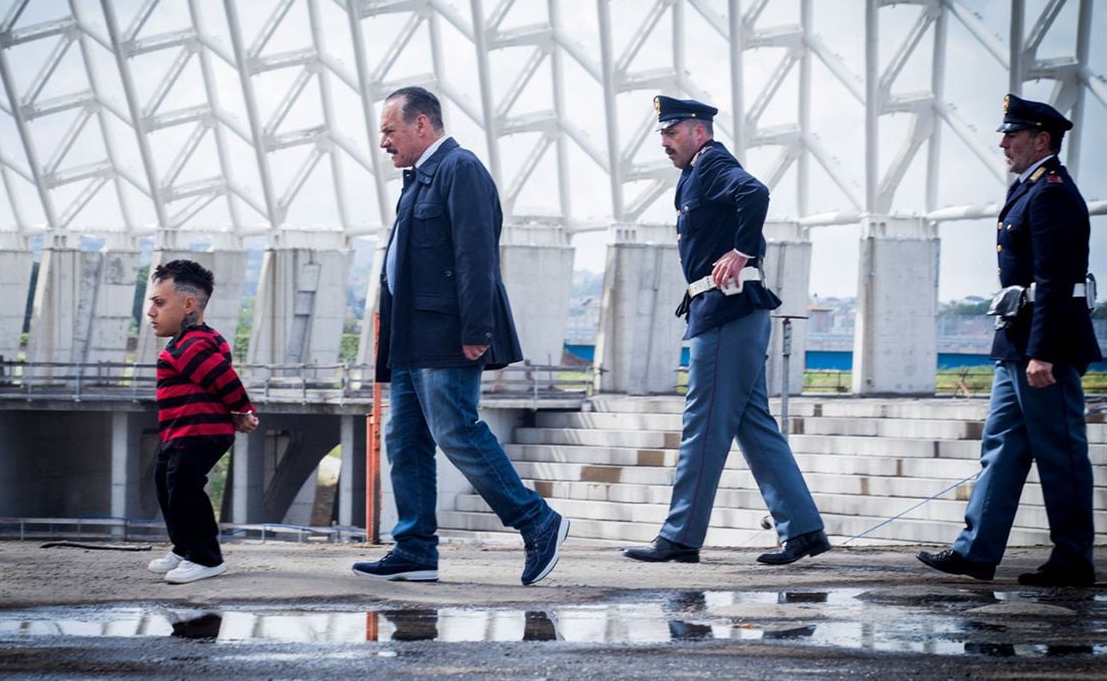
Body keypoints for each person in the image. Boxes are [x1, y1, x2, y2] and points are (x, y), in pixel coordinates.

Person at [351, 86, 569, 586]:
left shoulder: (460, 169)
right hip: (410, 336)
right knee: (404, 441)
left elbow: (476, 256)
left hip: (446, 333)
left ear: (422, 124)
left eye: (390, 130)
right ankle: (415, 550)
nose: (383, 141)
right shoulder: (419, 178)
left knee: (456, 429)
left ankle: (538, 522)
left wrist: (476, 330)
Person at [623, 96, 830, 566]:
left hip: (726, 312)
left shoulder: (713, 161)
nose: (663, 142)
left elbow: (754, 192)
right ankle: (803, 529)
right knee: (753, 424)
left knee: (703, 422)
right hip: (725, 310)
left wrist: (741, 250)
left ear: (699, 132)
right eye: (661, 134)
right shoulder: (695, 174)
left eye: (671, 132)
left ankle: (680, 537)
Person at [917, 94, 1100, 587]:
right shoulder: (1029, 189)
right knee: (1000, 447)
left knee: (1060, 452)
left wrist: (1043, 352)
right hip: (1017, 343)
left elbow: (1056, 280)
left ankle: (1073, 558)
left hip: (1045, 347)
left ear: (1042, 140)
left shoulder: (1052, 192)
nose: (1003, 143)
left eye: (1012, 135)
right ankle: (977, 551)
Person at [145, 259, 258, 584]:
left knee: (183, 489)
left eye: (159, 302)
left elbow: (223, 378)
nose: (151, 312)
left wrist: (241, 411)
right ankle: (185, 548)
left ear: (189, 304)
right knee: (167, 485)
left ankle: (206, 558)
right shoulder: (185, 343)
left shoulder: (193, 344)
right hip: (181, 433)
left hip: (197, 433)